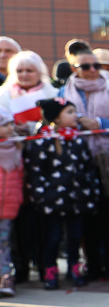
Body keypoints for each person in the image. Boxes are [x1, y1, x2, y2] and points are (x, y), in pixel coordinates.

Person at [60, 49, 109, 282]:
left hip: (108, 160)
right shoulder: (64, 92)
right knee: (87, 217)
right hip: (78, 162)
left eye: (96, 66)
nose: (93, 70)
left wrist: (99, 123)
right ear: (74, 69)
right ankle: (92, 265)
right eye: (86, 66)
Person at [24, 98, 100, 290]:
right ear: (56, 119)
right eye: (69, 112)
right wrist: (41, 196)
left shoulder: (77, 140)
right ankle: (50, 269)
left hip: (76, 199)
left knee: (75, 235)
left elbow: (89, 167)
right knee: (53, 237)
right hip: (53, 201)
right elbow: (35, 172)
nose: (75, 116)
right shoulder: (43, 142)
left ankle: (74, 268)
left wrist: (90, 189)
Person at [2, 52, 55, 286]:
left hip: (45, 166)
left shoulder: (53, 95)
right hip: (12, 167)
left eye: (29, 70)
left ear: (39, 72)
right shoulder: (3, 95)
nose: (24, 75)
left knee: (41, 220)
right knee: (16, 222)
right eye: (19, 70)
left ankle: (45, 267)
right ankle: (20, 269)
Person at [0, 106, 21, 297]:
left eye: (10, 124)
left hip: (8, 208)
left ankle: (5, 276)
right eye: (3, 124)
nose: (9, 128)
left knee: (4, 242)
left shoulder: (16, 148)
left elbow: (21, 176)